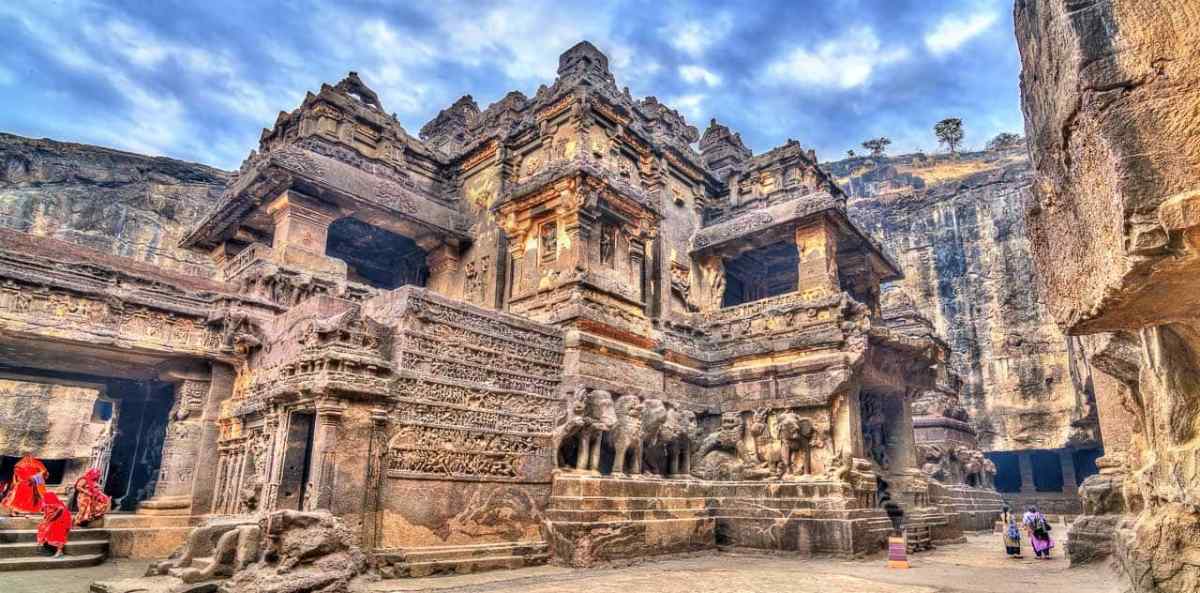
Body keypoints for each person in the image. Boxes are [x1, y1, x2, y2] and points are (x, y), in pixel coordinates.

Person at [36, 491, 72, 558]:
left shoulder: (58, 506)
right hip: (53, 521)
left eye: (45, 498)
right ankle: (46, 544)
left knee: (56, 530)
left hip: (61, 522)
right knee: (44, 527)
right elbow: (46, 515)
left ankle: (59, 551)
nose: (44, 499)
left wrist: (50, 519)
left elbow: (59, 513)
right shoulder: (48, 504)